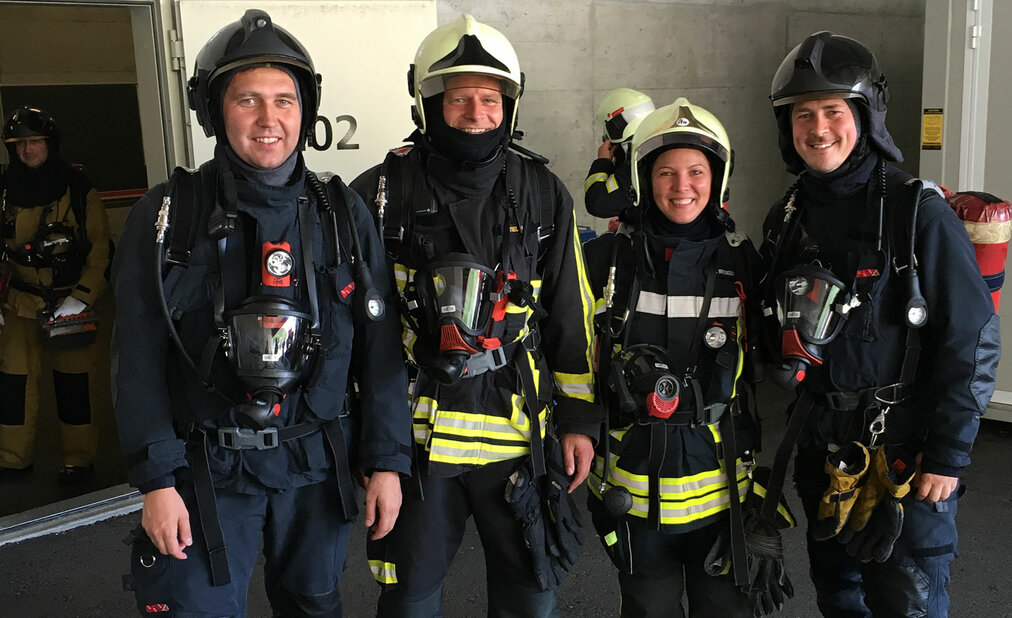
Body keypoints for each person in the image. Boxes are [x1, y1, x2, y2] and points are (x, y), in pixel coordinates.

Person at [111, 10, 410, 615]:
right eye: (248, 99)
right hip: (204, 475)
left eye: (285, 100)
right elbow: (137, 357)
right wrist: (157, 482)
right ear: (216, 111)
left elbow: (380, 348)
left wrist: (386, 462)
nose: (269, 119)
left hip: (313, 468)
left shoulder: (341, 214)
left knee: (314, 606)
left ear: (306, 111)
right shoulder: (168, 217)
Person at [349, 14, 601, 617]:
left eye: (490, 99)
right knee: (409, 599)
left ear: (509, 106)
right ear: (427, 103)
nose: (475, 113)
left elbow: (571, 313)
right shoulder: (379, 194)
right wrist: (370, 447)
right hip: (416, 446)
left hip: (519, 438)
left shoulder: (541, 191)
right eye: (458, 98)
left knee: (529, 597)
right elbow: (356, 337)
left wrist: (580, 421)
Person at [760, 31, 1000, 617]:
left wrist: (947, 455)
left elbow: (971, 343)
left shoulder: (920, 213)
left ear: (865, 117)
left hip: (906, 459)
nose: (818, 129)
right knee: (839, 599)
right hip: (822, 449)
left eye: (834, 112)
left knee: (907, 605)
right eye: (803, 115)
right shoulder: (787, 216)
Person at [584, 97, 795, 618]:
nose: (682, 187)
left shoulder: (744, 261)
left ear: (717, 179)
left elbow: (784, 359)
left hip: (723, 498)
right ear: (643, 179)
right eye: (666, 172)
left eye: (697, 171)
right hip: (632, 493)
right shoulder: (604, 261)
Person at [0, 106, 110, 484]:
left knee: (75, 384)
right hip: (20, 302)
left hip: (70, 304)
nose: (27, 151)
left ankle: (79, 460)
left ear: (50, 143)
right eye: (19, 144)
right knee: (13, 382)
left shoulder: (78, 191)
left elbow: (100, 249)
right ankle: (12, 457)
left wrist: (83, 296)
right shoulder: (5, 191)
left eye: (35, 142)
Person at [584, 88, 655, 220]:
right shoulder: (652, 149)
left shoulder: (638, 160)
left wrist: (603, 162)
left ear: (617, 125)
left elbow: (597, 204)